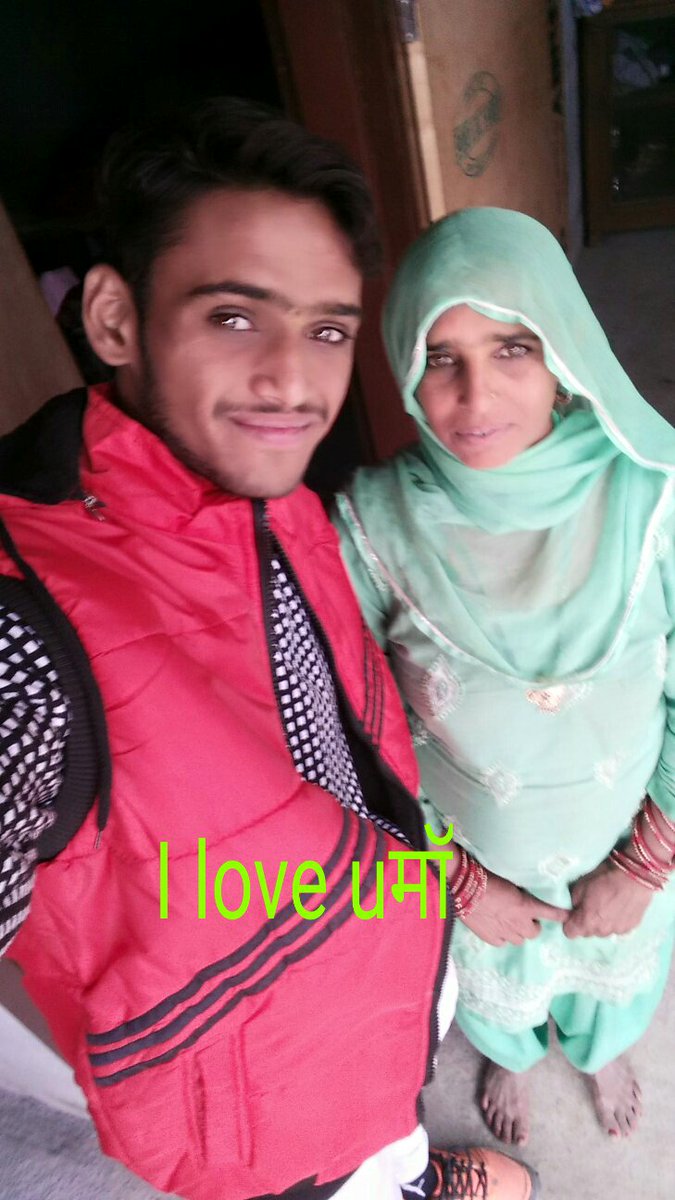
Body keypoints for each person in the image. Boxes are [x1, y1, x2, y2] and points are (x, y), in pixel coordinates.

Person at [0, 104, 538, 1200]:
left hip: (376, 959)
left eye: (327, 330)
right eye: (235, 316)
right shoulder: (26, 633)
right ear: (114, 317)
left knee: (390, 1117)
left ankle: (414, 1168)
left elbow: (344, 747)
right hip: (252, 1084)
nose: (293, 382)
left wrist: (444, 876)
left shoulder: (271, 495)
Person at [334, 206, 675, 1149]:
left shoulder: (652, 492)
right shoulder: (370, 524)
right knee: (495, 996)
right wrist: (456, 881)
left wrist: (646, 864)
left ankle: (601, 1050)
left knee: (614, 980)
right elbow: (353, 731)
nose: (474, 395)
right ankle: (512, 1055)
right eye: (440, 357)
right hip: (470, 861)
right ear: (403, 367)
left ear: (563, 353)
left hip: (629, 843)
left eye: (512, 348)